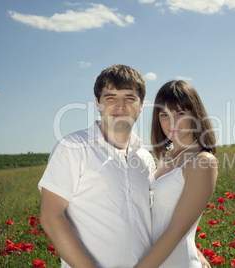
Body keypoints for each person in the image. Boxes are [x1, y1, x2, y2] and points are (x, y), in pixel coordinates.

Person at [38, 64, 210, 268]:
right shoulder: (73, 147)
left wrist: (190, 247)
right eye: (110, 98)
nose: (120, 106)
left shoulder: (144, 158)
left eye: (129, 98)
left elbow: (160, 216)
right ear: (97, 102)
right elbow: (51, 216)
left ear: (141, 103)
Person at [135, 80, 218, 268]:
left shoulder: (202, 161)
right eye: (164, 114)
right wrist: (196, 250)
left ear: (195, 114)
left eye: (180, 113)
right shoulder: (167, 158)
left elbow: (176, 230)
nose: (171, 122)